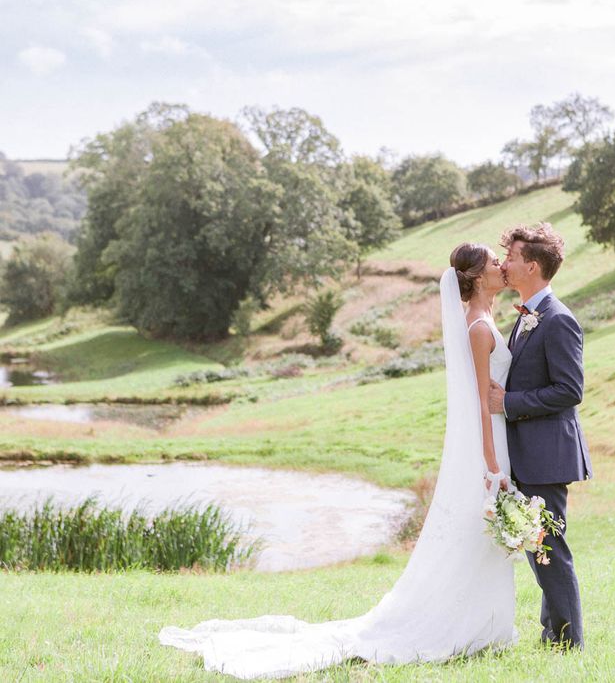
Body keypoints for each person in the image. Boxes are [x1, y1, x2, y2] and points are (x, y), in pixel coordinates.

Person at [158, 243, 518, 680]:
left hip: (495, 436)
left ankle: (485, 622)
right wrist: (490, 462)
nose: (503, 267)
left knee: (478, 533)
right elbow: (480, 401)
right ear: (479, 277)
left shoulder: (489, 318)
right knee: (474, 529)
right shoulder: (479, 327)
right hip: (487, 443)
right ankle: (464, 625)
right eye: (496, 263)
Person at [489, 222, 592, 650]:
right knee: (541, 547)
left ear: (531, 266)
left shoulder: (558, 320)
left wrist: (508, 403)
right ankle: (555, 635)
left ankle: (570, 644)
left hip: (548, 454)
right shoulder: (529, 317)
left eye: (511, 258)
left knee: (549, 547)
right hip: (531, 452)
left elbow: (570, 390)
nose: (504, 264)